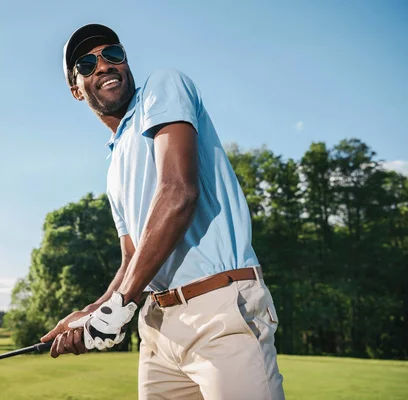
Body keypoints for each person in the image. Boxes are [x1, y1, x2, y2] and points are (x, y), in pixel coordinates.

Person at [41, 23, 285, 400]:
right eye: (87, 64)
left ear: (126, 62)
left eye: (112, 54)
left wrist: (121, 304)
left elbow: (179, 193)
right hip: (156, 329)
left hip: (218, 310)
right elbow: (130, 259)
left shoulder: (162, 87)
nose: (103, 65)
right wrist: (92, 313)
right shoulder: (113, 165)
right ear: (76, 89)